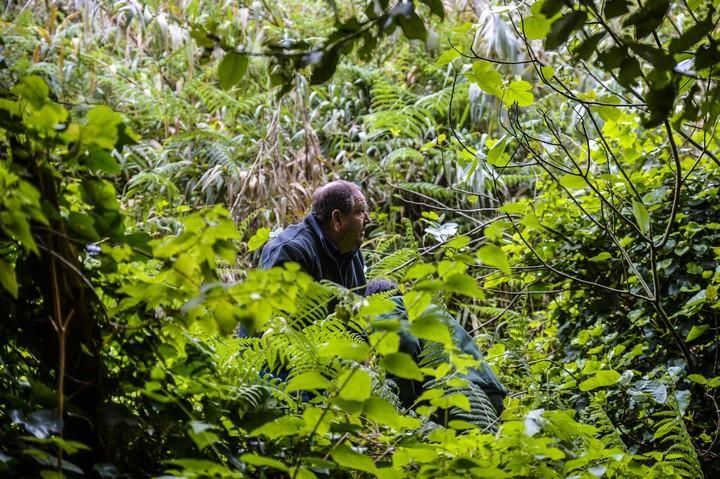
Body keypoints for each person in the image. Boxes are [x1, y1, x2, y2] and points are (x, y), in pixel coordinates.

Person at [365, 278, 507, 417]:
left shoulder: (386, 306)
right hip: (490, 397)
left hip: (458, 394)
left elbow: (405, 344)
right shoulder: (426, 309)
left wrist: (398, 396)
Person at [259, 180, 370, 293]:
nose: (368, 220)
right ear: (337, 219)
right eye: (360, 212)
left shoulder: (350, 249)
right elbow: (278, 309)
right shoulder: (291, 253)